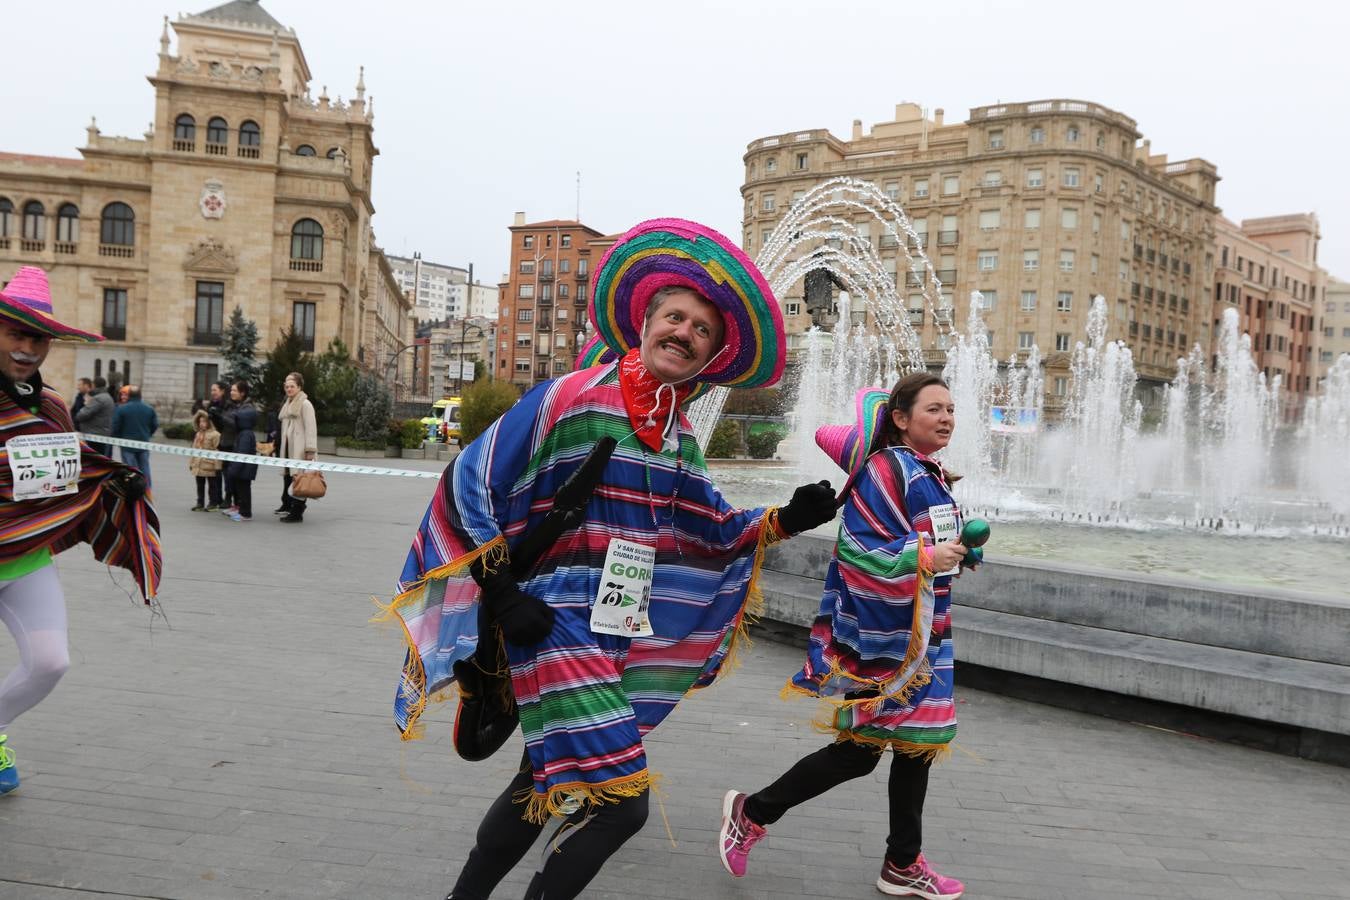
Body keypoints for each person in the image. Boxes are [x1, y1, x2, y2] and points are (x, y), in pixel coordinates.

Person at [380, 220, 837, 900]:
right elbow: (468, 480)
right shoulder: (573, 395)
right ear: (645, 324)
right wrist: (502, 591)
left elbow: (711, 530)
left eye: (702, 329)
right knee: (622, 804)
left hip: (615, 626)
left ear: (711, 354)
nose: (684, 333)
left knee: (543, 779)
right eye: (674, 317)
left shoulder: (678, 437)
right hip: (552, 622)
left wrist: (786, 519)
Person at [717, 375, 973, 899]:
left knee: (916, 747)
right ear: (900, 418)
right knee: (859, 754)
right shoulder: (885, 470)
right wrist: (926, 556)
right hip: (887, 641)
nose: (946, 418)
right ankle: (753, 813)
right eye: (934, 409)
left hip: (923, 634)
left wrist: (958, 551)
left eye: (950, 409)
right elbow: (859, 551)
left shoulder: (928, 472)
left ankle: (902, 862)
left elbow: (932, 538)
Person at [0, 266, 161, 797]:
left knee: (50, 662)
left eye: (38, 339)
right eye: (16, 334)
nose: (27, 348)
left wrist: (111, 481)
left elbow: (67, 470)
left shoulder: (49, 405)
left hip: (24, 556)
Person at [275, 371, 317, 524]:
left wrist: (310, 450)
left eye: (292, 386)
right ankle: (287, 505)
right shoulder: (288, 405)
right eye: (286, 386)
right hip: (288, 449)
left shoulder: (305, 404)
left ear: (299, 387)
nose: (289, 389)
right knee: (289, 477)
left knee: (300, 480)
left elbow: (311, 428)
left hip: (300, 450)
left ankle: (297, 513)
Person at [221, 380, 258, 522]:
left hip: (244, 469)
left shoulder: (246, 435)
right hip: (242, 469)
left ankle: (245, 513)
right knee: (241, 490)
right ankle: (242, 510)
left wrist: (234, 468)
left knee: (244, 491)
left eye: (234, 390)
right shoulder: (243, 432)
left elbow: (242, 453)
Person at [111, 385, 158, 488]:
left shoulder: (122, 409)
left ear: (129, 396)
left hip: (126, 445)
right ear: (140, 395)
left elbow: (115, 426)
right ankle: (147, 489)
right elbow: (155, 425)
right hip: (144, 443)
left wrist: (118, 438)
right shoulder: (149, 409)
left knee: (130, 469)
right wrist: (148, 434)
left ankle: (133, 488)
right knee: (145, 468)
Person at [207, 381, 236, 513]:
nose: (212, 392)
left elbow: (228, 424)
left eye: (215, 390)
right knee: (216, 471)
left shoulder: (228, 404)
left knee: (227, 472)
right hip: (215, 442)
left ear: (223, 391)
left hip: (227, 442)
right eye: (211, 390)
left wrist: (218, 415)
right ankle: (216, 498)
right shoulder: (212, 405)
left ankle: (228, 497)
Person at [188, 409, 222, 511]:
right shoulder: (198, 434)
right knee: (200, 485)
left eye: (204, 421)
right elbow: (194, 449)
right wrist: (191, 463)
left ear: (209, 422)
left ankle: (213, 503)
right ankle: (200, 503)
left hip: (210, 465)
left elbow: (218, 450)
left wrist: (218, 466)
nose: (201, 424)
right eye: (200, 422)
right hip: (198, 465)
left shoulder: (215, 434)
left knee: (212, 486)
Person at [74, 376, 114, 457]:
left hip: (95, 433)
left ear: (94, 385)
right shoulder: (107, 396)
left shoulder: (98, 398)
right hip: (101, 432)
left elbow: (82, 415)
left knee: (95, 458)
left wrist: (86, 404)